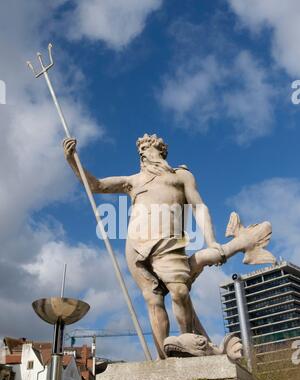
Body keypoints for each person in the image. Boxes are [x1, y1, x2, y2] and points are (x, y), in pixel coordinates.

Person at [63, 134, 274, 358]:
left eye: (148, 148)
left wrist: (211, 240)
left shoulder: (180, 176)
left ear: (161, 152)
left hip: (170, 241)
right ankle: (165, 358)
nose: (143, 153)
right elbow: (95, 185)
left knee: (180, 291)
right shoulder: (133, 181)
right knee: (153, 299)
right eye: (140, 150)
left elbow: (199, 207)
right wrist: (73, 161)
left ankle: (190, 347)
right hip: (136, 246)